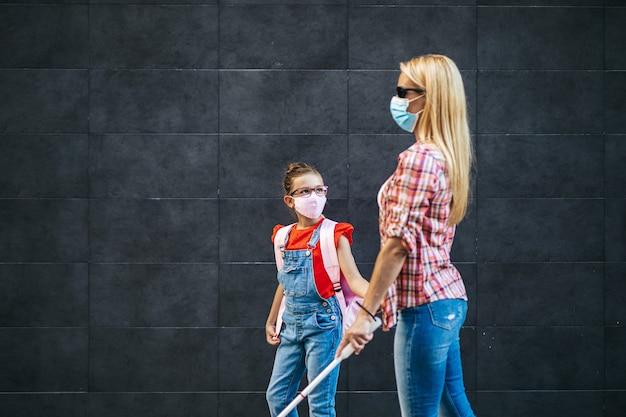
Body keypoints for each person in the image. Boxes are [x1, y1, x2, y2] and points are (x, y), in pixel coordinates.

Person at [336, 54, 476, 417]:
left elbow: (397, 246)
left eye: (403, 91)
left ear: (427, 98)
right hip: (446, 301)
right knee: (454, 407)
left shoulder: (420, 158)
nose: (397, 99)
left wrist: (365, 315)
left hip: (424, 309)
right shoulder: (447, 156)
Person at [265, 162, 370, 417]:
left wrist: (381, 295)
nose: (314, 197)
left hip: (324, 326)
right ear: (289, 201)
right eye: (305, 192)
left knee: (320, 405)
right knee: (278, 397)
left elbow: (354, 279)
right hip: (290, 326)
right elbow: (285, 282)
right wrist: (271, 320)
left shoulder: (334, 234)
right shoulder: (283, 237)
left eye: (319, 190)